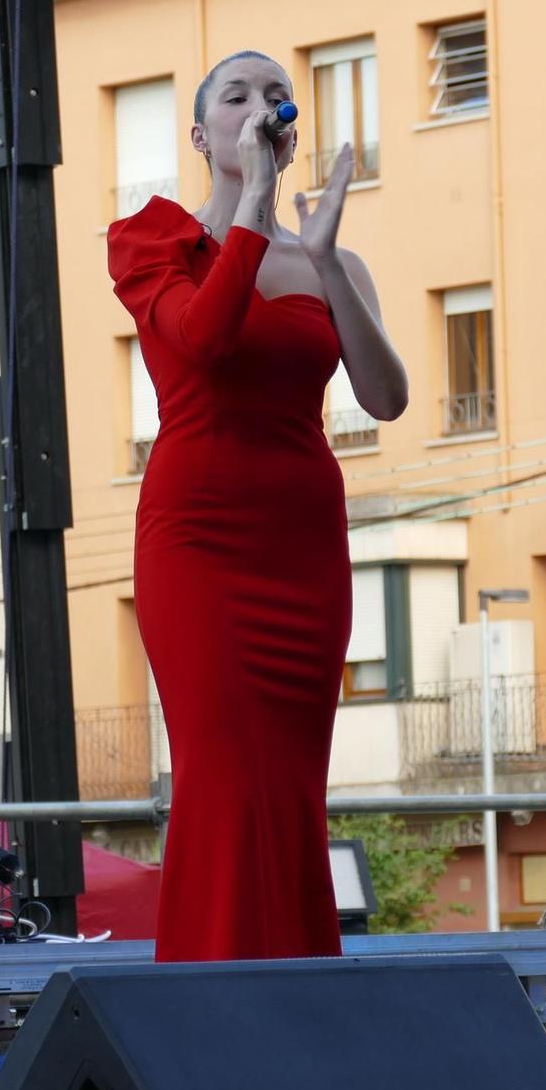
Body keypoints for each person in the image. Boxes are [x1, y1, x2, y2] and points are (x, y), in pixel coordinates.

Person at [105, 50, 407, 961]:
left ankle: (300, 1006)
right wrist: (252, 215)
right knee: (222, 774)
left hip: (303, 543)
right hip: (199, 540)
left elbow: (386, 396)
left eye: (275, 93)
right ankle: (214, 1003)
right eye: (235, 94)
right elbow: (203, 337)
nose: (259, 105)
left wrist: (325, 265)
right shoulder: (151, 240)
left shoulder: (331, 256)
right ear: (202, 136)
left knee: (289, 783)